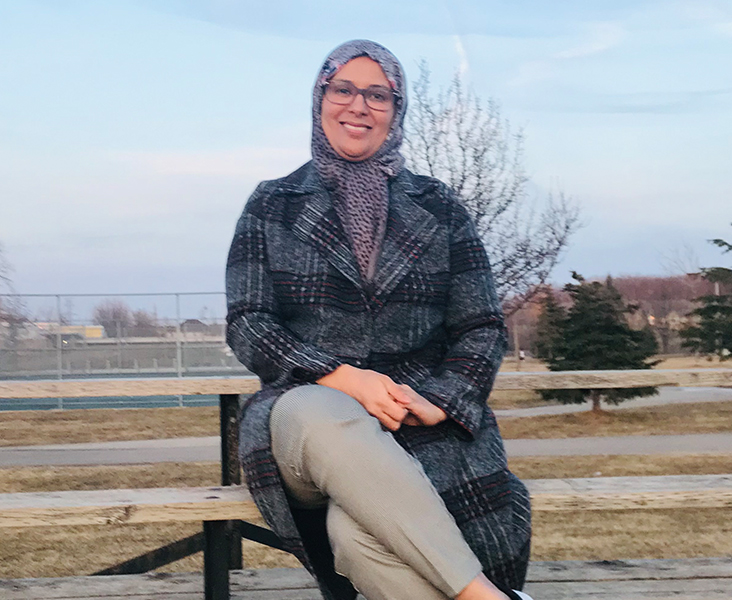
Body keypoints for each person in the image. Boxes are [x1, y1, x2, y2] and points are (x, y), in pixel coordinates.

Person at [225, 40, 532, 600]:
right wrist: (342, 377)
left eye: (377, 94)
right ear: (320, 100)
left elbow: (482, 327)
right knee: (324, 413)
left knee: (357, 537)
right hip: (305, 412)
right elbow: (249, 322)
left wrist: (443, 398)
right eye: (343, 89)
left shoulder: (439, 207)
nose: (358, 106)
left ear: (397, 110)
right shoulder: (272, 204)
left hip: (415, 419)